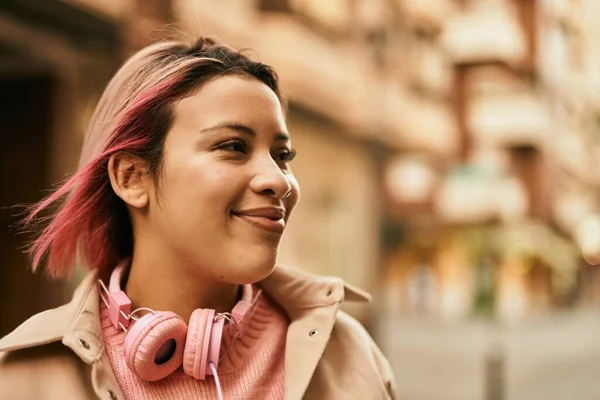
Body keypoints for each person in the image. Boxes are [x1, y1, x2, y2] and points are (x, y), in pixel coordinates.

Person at [0, 37, 397, 400]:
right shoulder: (23, 377)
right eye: (233, 146)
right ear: (131, 177)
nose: (278, 180)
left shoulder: (350, 358)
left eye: (283, 156)